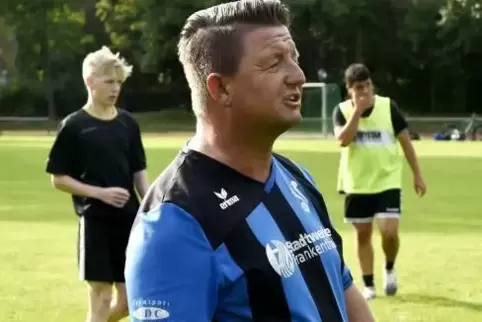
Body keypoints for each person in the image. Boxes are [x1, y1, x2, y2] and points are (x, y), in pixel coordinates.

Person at [124, 1, 374, 322]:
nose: (298, 76)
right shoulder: (175, 223)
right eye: (274, 62)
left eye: (294, 58)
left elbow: (340, 286)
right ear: (222, 88)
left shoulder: (297, 178)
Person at [45, 46, 149, 322]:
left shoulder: (128, 123)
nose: (116, 88)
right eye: (109, 82)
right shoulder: (74, 126)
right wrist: (99, 193)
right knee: (101, 297)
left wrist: (151, 208)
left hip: (129, 220)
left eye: (118, 82)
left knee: (128, 302)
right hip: (95, 222)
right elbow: (58, 178)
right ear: (90, 82)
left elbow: (139, 172)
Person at [333, 63, 427, 300]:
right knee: (363, 235)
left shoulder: (388, 107)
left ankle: (390, 267)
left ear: (371, 85)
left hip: (388, 180)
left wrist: (417, 173)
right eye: (358, 88)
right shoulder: (342, 111)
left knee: (389, 231)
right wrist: (357, 111)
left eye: (366, 86)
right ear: (349, 89)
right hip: (357, 183)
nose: (364, 91)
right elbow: (342, 140)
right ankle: (369, 285)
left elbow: (406, 143)